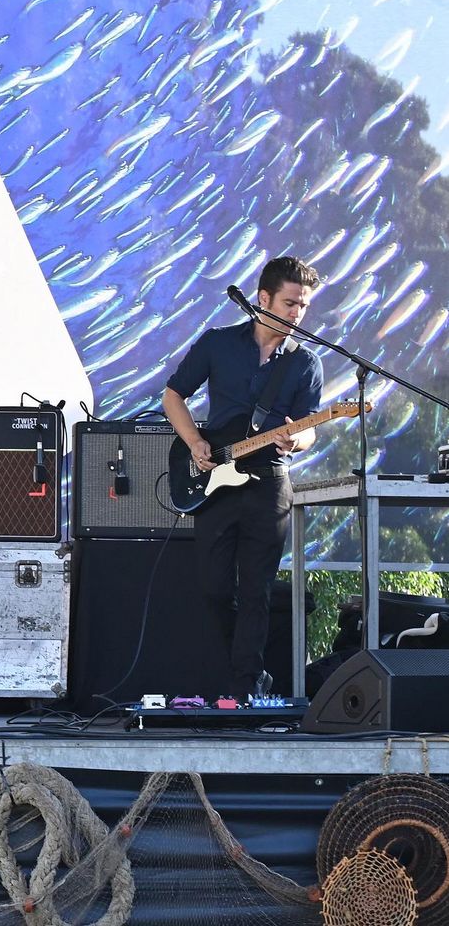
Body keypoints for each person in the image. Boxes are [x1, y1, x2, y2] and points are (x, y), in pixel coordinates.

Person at [162, 255, 324, 700]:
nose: (297, 314)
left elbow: (309, 427)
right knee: (214, 587)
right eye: (290, 303)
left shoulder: (306, 363)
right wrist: (195, 441)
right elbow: (173, 395)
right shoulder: (219, 343)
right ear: (263, 299)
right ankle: (250, 671)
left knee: (257, 590)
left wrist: (297, 440)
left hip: (270, 482)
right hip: (217, 476)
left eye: (303, 306)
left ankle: (244, 687)